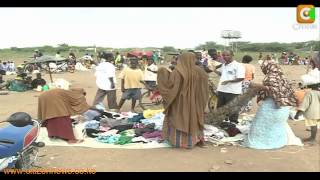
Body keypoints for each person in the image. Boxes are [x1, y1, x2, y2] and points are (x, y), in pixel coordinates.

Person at [157, 52, 209, 149]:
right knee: (194, 119)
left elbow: (170, 86)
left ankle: (179, 142)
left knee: (179, 118)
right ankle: (195, 140)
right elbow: (204, 88)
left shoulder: (177, 72)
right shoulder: (200, 71)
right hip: (195, 103)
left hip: (179, 103)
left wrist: (162, 72)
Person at [244, 61, 298, 149]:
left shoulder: (270, 77)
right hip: (283, 107)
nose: (263, 70)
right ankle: (277, 141)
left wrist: (256, 86)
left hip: (272, 106)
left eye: (263, 68)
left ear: (268, 68)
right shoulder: (282, 77)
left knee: (261, 124)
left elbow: (272, 89)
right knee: (276, 126)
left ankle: (263, 142)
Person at [295, 52, 320, 145]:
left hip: (313, 113)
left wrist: (298, 114)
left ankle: (312, 139)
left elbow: (304, 105)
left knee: (313, 125)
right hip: (317, 111)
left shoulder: (310, 93)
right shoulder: (317, 91)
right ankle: (312, 137)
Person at [213, 50, 245, 123]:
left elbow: (241, 78)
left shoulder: (238, 65)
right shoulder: (224, 65)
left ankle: (233, 124)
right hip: (222, 90)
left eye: (227, 55)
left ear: (232, 55)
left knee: (232, 109)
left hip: (232, 91)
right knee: (220, 108)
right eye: (223, 55)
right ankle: (221, 123)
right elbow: (222, 74)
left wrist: (229, 81)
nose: (225, 57)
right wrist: (215, 71)